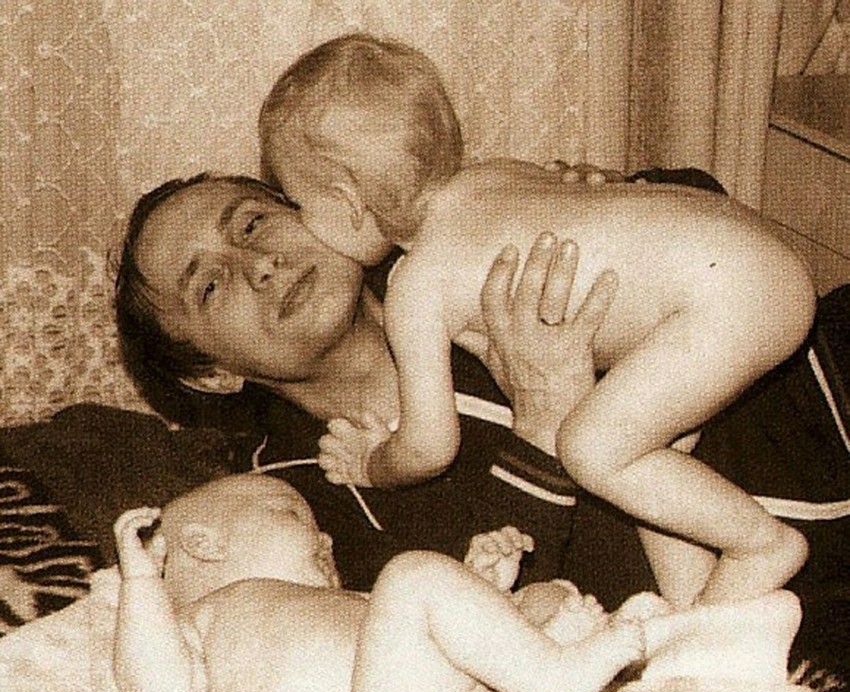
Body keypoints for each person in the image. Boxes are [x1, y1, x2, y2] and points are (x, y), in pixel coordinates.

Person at [259, 32, 816, 607]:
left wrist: (373, 463)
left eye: (300, 205)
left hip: (727, 300)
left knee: (591, 448)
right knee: (647, 453)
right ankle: (694, 604)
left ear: (347, 201)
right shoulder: (498, 174)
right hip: (754, 258)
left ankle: (761, 545)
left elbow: (430, 447)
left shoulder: (418, 283)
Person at [114, 172, 641, 599]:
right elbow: (462, 635)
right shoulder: (286, 507)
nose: (260, 265)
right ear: (211, 374)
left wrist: (607, 204)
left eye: (253, 224)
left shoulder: (457, 260)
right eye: (210, 285)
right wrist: (543, 423)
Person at [113, 472, 654, 692]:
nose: (326, 539)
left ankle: (557, 657)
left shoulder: (347, 604)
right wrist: (139, 583)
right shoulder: (208, 617)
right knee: (412, 576)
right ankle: (555, 675)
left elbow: (421, 653)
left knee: (545, 594)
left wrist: (482, 589)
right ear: (203, 544)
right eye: (293, 515)